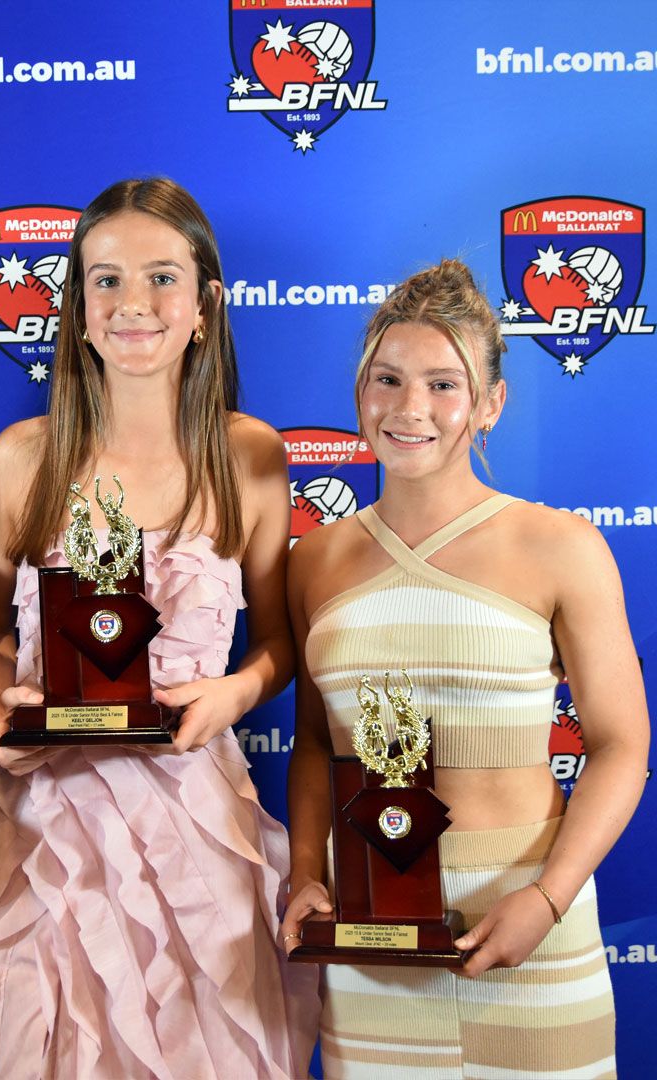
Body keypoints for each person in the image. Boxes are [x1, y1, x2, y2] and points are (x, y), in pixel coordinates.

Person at [0, 178, 319, 1079]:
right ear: (76, 308)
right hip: (45, 824)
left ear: (205, 305)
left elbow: (280, 643)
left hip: (196, 822)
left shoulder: (252, 454)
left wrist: (233, 694)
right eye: (105, 279)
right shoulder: (22, 455)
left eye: (161, 277)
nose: (132, 302)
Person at [282, 258, 648, 1078]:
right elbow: (314, 746)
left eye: (444, 385)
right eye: (388, 379)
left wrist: (547, 899)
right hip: (372, 944)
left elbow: (622, 746)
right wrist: (306, 874)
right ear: (360, 392)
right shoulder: (315, 560)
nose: (410, 407)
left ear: (490, 404)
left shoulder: (563, 546)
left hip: (530, 930)